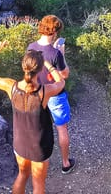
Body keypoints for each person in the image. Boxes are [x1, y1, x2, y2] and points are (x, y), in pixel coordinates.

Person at [0, 41, 65, 194]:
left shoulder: (11, 87)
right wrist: (49, 65)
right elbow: (61, 82)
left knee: (22, 175)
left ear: (23, 67)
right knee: (38, 184)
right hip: (39, 146)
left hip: (20, 143)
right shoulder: (44, 91)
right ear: (39, 70)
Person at [27, 15, 76, 174]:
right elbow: (65, 75)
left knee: (38, 127)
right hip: (55, 95)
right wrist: (62, 53)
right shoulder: (56, 53)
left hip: (37, 93)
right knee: (61, 129)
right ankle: (65, 163)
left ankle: (37, 160)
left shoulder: (31, 48)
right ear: (55, 32)